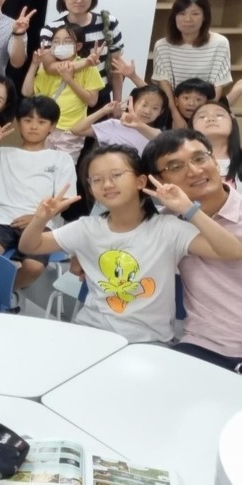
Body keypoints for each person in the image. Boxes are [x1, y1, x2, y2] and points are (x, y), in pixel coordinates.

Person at [19, 144, 242, 343]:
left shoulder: (168, 228)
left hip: (149, 341)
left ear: (140, 181)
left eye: (116, 175)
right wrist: (40, 219)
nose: (107, 184)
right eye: (96, 180)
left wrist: (189, 209)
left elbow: (232, 251)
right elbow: (30, 246)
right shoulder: (87, 228)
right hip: (91, 332)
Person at [142, 129, 242, 372]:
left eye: (200, 158)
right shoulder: (165, 223)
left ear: (215, 161)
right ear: (159, 180)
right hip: (204, 344)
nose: (195, 171)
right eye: (176, 166)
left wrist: (190, 210)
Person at [0, 96, 75, 294]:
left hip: (39, 223)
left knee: (34, 267)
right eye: (27, 120)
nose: (34, 126)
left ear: (52, 126)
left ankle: (3, 293)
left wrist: (37, 217)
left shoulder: (61, 159)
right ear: (18, 123)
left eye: (41, 122)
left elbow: (65, 200)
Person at [23, 22, 103, 162]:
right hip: (45, 126)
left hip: (70, 131)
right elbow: (26, 92)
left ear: (78, 46)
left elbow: (92, 101)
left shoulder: (89, 67)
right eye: (56, 41)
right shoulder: (46, 67)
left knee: (63, 170)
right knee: (37, 165)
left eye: (67, 41)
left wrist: (69, 80)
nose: (61, 45)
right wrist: (34, 64)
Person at [40, 0, 125, 103]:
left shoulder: (108, 23)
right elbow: (49, 67)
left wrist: (117, 102)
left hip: (100, 96)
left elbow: (116, 66)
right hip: (65, 97)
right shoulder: (51, 29)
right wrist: (85, 63)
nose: (79, 0)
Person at [152, 0, 231, 126]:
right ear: (174, 16)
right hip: (174, 108)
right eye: (182, 13)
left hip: (208, 106)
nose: (187, 19)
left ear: (205, 17)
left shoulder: (220, 43)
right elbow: (164, 84)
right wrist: (175, 115)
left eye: (195, 14)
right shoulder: (162, 45)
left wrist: (204, 115)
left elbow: (217, 85)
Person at [70, 85, 166, 155]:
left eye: (155, 108)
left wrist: (139, 125)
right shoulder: (114, 125)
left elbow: (164, 143)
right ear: (133, 103)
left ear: (161, 112)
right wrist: (103, 111)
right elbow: (77, 130)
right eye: (144, 105)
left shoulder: (156, 134)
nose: (148, 111)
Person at [189, 101, 242, 186]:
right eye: (202, 117)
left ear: (232, 122)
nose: (211, 119)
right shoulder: (185, 164)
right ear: (192, 126)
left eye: (219, 115)